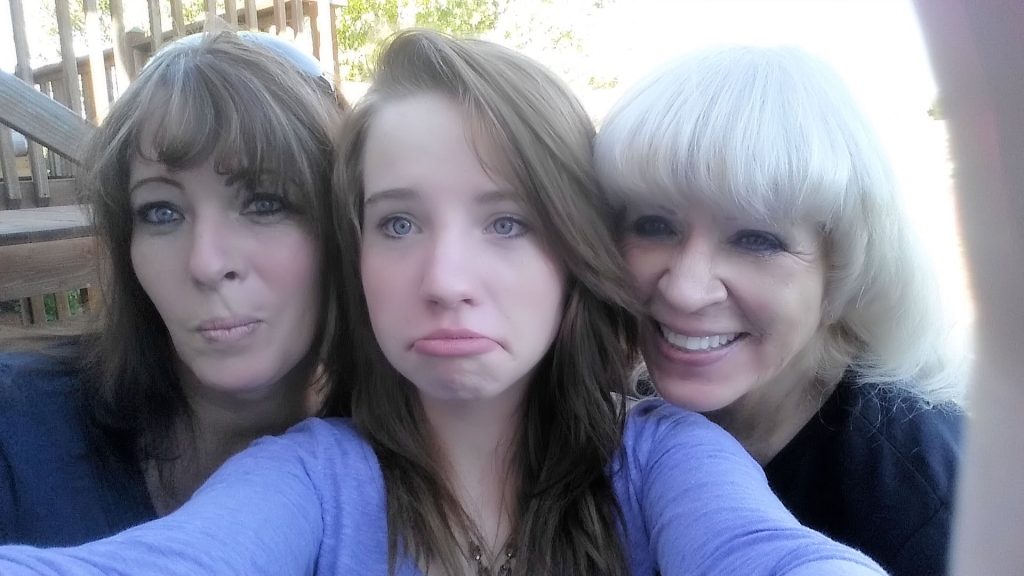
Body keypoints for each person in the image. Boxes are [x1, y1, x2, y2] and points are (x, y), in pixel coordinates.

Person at [0, 30, 886, 576]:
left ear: (576, 253)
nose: (444, 278)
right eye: (397, 225)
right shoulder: (313, 480)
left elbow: (761, 554)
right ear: (356, 257)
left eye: (507, 224)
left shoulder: (663, 463)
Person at [594, 44, 965, 576]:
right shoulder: (617, 416)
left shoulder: (923, 504)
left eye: (757, 239)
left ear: (841, 267)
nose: (686, 290)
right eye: (655, 225)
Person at [0, 30, 347, 546]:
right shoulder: (17, 430)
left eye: (265, 203)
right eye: (162, 212)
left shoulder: (402, 465)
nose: (206, 263)